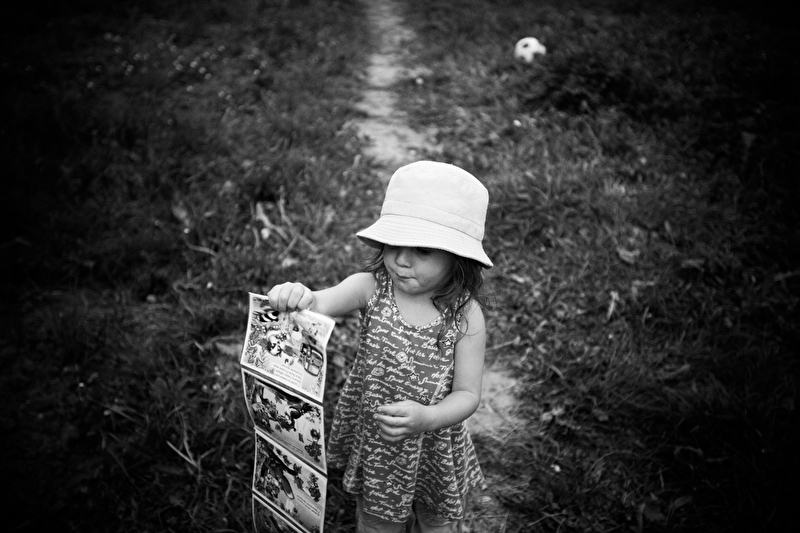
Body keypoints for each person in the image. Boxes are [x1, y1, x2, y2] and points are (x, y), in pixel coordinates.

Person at [267, 160, 493, 533]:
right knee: (377, 523)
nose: (401, 260)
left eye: (422, 250)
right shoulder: (371, 287)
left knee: (437, 523)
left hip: (434, 441)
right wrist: (296, 295)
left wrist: (428, 418)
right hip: (379, 440)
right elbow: (317, 303)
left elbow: (468, 394)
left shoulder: (465, 314)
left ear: (458, 258)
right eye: (394, 244)